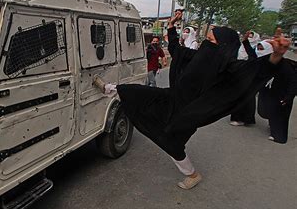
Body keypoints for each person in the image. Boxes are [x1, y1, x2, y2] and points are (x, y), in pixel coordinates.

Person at [93, 10, 290, 190]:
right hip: (171, 97)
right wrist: (171, 26)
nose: (207, 40)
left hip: (189, 112)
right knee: (137, 92)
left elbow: (253, 72)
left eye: (211, 40)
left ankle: (192, 175)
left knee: (171, 143)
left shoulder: (228, 68)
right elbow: (176, 50)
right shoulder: (198, 54)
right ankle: (111, 88)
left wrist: (275, 56)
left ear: (222, 46)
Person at [258, 55, 297, 143]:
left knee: (281, 117)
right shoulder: (275, 65)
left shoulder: (288, 69)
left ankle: (278, 136)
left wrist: (287, 98)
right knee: (271, 112)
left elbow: (293, 85)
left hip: (283, 96)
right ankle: (273, 128)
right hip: (274, 94)